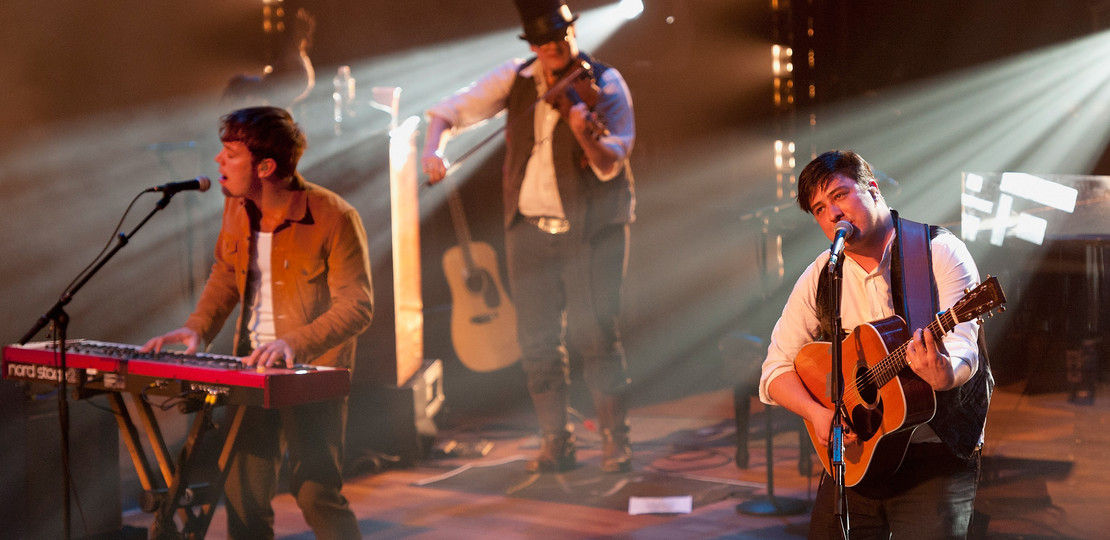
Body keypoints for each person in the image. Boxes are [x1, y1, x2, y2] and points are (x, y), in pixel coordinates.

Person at [421, 0, 636, 474]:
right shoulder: (515, 77)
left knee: (596, 334)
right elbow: (449, 111)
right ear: (532, 46)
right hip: (530, 229)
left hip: (592, 229)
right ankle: (556, 442)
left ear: (573, 32)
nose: (553, 49)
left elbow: (609, 163)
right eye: (542, 43)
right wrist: (433, 151)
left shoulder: (607, 84)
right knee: (537, 341)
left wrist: (583, 131)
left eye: (560, 38)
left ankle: (615, 442)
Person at [141, 106, 372, 539]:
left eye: (230, 154)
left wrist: (294, 343)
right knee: (244, 497)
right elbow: (226, 273)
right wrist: (198, 326)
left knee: (315, 493)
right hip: (248, 370)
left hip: (310, 375)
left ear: (265, 166)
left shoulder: (334, 217)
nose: (218, 161)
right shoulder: (236, 208)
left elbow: (357, 306)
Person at [758, 150, 993, 538]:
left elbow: (965, 348)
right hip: (856, 458)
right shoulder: (823, 273)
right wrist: (819, 414)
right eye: (819, 208)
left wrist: (946, 373)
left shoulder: (937, 251)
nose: (832, 213)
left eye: (839, 195)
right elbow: (775, 370)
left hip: (934, 454)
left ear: (872, 188)